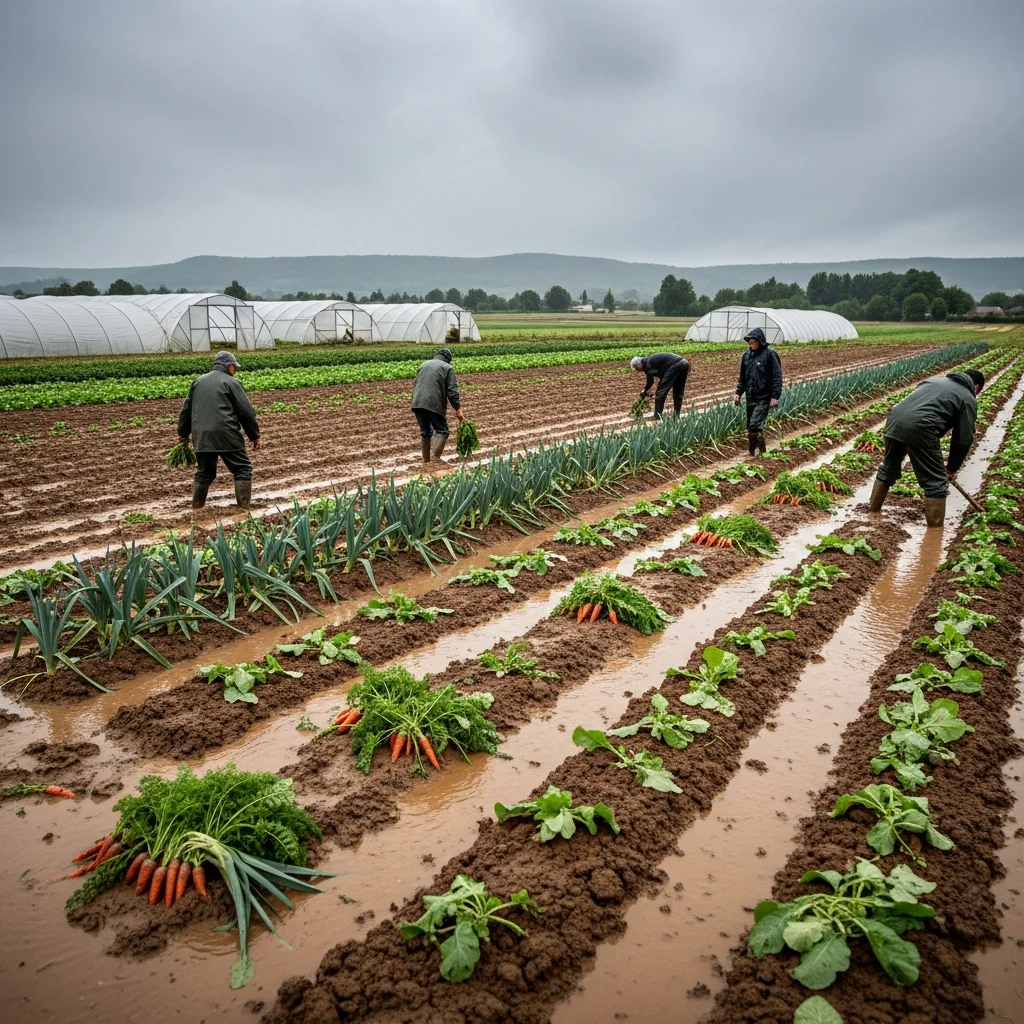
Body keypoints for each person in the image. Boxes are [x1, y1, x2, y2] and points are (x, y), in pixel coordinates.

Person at [869, 368, 984, 527]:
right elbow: (963, 439)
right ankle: (935, 532)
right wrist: (951, 468)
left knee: (889, 466)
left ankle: (872, 511)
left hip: (894, 421)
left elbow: (921, 407)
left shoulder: (933, 380)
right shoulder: (967, 397)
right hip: (922, 428)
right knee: (936, 482)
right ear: (976, 387)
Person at [176, 350, 261, 509]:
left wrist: (183, 433)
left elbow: (186, 409)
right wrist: (254, 435)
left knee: (205, 472)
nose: (235, 370)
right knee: (242, 468)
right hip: (226, 433)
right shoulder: (232, 382)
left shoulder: (198, 381)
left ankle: (197, 507)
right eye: (234, 367)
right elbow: (246, 412)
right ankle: (244, 509)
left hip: (201, 436)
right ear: (230, 366)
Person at [733, 327, 782, 454]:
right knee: (751, 427)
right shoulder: (746, 356)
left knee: (755, 425)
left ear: (760, 341)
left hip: (764, 396)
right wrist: (738, 393)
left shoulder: (770, 354)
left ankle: (762, 453)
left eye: (754, 342)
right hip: (751, 396)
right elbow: (743, 378)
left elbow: (777, 376)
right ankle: (753, 453)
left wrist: (775, 396)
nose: (752, 344)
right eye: (750, 342)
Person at [412, 347, 463, 465]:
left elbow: (416, 384)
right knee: (442, 431)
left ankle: (426, 461)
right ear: (448, 359)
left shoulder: (423, 365)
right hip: (433, 402)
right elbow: (452, 391)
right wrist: (457, 408)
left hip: (417, 402)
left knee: (425, 431)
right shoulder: (448, 368)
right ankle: (434, 461)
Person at [630, 353, 691, 419]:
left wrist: (645, 391)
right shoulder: (649, 361)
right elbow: (663, 375)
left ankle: (657, 415)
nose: (637, 370)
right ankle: (676, 415)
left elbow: (650, 382)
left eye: (636, 368)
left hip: (675, 366)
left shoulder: (647, 365)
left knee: (660, 392)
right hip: (685, 364)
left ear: (639, 365)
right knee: (678, 393)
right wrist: (649, 389)